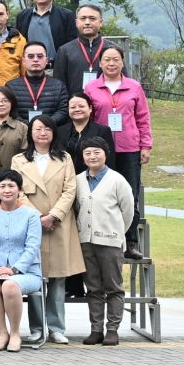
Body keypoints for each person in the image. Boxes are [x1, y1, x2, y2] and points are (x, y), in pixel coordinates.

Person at [13, 117, 81, 343]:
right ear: (30, 133)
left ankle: (57, 328)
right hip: (32, 224)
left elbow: (70, 190)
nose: (42, 133)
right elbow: (17, 191)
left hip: (59, 223)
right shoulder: (19, 160)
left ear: (53, 132)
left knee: (58, 278)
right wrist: (39, 218)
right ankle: (37, 328)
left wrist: (53, 215)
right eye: (38, 129)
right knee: (36, 277)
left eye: (47, 129)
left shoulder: (65, 158)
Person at [82, 44, 151, 256]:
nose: (111, 63)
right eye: (107, 59)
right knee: (102, 195)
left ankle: (131, 242)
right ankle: (103, 240)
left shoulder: (134, 87)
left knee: (130, 194)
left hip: (129, 148)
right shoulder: (91, 88)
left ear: (122, 62)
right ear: (100, 63)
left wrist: (146, 145)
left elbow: (143, 118)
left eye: (116, 59)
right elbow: (88, 119)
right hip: (102, 150)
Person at [73, 139, 134, 345]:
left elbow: (128, 212)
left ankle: (112, 329)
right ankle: (96, 329)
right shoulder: (78, 180)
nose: (92, 156)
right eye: (88, 153)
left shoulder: (117, 180)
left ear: (105, 154)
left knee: (113, 287)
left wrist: (116, 232)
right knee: (93, 288)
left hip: (110, 242)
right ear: (83, 157)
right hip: (86, 241)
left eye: (96, 152)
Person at [0, 172, 44, 353]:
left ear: (19, 190)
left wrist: (14, 269)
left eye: (11, 186)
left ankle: (15, 333)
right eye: (2, 186)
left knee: (9, 285)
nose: (7, 190)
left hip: (27, 273)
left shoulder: (31, 215)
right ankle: (2, 333)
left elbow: (32, 247)